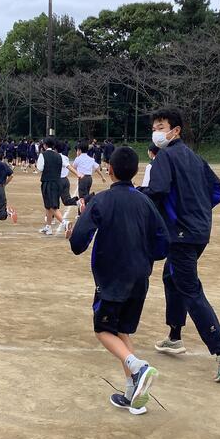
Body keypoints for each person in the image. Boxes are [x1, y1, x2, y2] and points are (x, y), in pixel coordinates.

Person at [145, 108, 220, 382]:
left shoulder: (165, 156)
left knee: (189, 287)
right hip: (199, 232)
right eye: (154, 127)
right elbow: (218, 190)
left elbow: (157, 191)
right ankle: (175, 335)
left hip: (181, 234)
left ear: (175, 130)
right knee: (171, 276)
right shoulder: (196, 158)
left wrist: (137, 198)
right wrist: (199, 210)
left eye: (161, 127)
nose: (156, 132)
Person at [68, 147, 167, 414]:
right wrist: (146, 257)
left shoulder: (102, 200)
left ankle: (138, 367)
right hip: (139, 277)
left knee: (103, 329)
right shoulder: (145, 202)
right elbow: (162, 242)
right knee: (121, 331)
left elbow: (78, 242)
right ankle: (133, 392)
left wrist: (78, 231)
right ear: (135, 172)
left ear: (109, 170)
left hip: (112, 278)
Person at [36, 137, 68, 236]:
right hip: (57, 182)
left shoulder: (43, 155)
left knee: (52, 206)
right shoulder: (59, 156)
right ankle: (48, 227)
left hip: (48, 182)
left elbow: (40, 168)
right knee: (48, 205)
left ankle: (65, 223)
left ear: (45, 145)